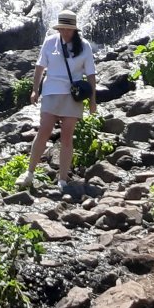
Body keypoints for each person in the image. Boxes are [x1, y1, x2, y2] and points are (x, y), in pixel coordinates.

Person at [25, 10, 98, 193]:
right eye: (62, 29)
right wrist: (35, 89)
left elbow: (91, 75)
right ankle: (29, 173)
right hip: (50, 92)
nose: (65, 32)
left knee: (67, 137)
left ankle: (63, 179)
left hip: (73, 96)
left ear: (74, 30)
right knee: (44, 131)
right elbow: (40, 67)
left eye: (68, 29)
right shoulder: (50, 42)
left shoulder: (85, 46)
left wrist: (92, 101)